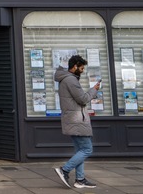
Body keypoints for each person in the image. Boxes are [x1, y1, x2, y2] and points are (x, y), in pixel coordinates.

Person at [54, 54, 101, 189]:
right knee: (87, 149)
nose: (83, 70)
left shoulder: (66, 79)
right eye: (81, 68)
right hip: (77, 120)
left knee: (80, 150)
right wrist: (94, 90)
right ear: (75, 66)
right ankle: (65, 170)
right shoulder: (71, 80)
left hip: (73, 119)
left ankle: (80, 179)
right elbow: (83, 99)